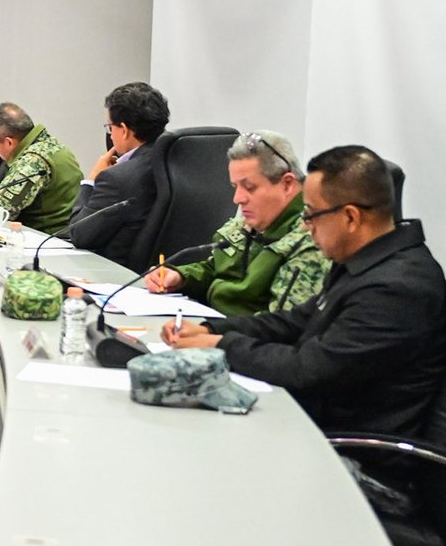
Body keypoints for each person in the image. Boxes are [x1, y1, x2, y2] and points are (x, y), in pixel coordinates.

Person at [166, 145, 446, 439]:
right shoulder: (365, 261)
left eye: (311, 214)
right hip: (315, 422)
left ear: (351, 218)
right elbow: (296, 321)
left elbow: (308, 370)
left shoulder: (397, 288)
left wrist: (221, 345)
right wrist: (211, 329)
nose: (304, 225)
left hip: (347, 449)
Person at [145, 131, 328, 315]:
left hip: (240, 330)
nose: (237, 198)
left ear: (287, 184)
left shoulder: (313, 240)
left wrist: (211, 330)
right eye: (235, 187)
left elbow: (282, 324)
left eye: (249, 187)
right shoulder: (259, 220)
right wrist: (180, 277)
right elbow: (217, 268)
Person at [65, 81, 169, 269]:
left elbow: (79, 235)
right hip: (168, 273)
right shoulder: (181, 162)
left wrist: (91, 180)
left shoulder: (117, 178)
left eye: (110, 128)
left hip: (115, 274)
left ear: (124, 130)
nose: (110, 136)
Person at [0, 103, 83, 234]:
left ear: (9, 142)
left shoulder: (33, 162)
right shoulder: (53, 145)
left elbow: (2, 210)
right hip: (63, 232)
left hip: (47, 237)